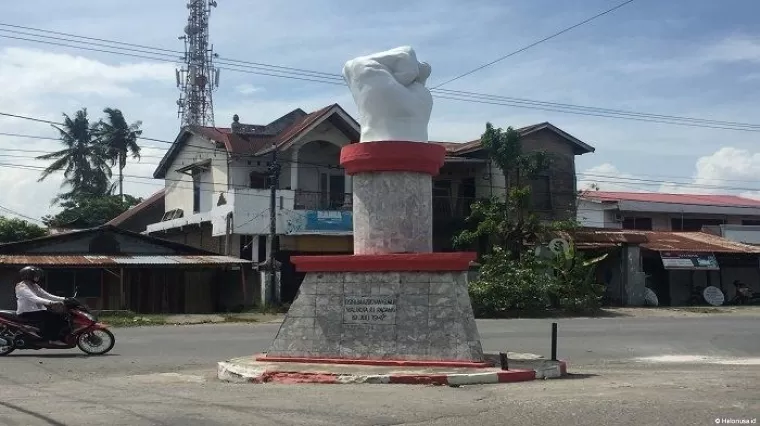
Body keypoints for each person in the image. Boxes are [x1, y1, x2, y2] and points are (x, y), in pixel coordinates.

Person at [15, 266, 68, 343]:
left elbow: (46, 295)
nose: (38, 277)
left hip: (35, 311)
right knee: (53, 317)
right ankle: (51, 338)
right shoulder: (22, 287)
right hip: (26, 312)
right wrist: (51, 302)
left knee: (60, 315)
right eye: (36, 275)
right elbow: (34, 298)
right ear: (28, 276)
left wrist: (65, 299)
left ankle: (55, 336)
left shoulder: (34, 286)